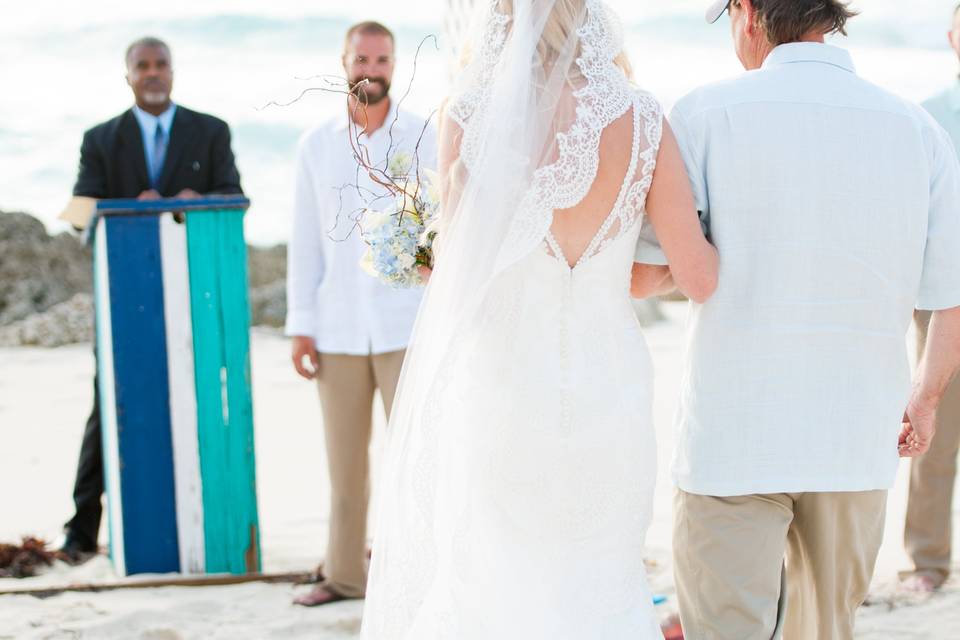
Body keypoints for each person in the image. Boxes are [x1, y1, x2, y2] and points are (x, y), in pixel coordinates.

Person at [360, 1, 717, 637]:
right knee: (601, 573)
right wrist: (646, 275)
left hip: (502, 389)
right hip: (610, 391)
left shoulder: (468, 115)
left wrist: (424, 259)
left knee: (497, 580)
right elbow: (698, 276)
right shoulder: (642, 118)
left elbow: (462, 274)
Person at [632, 1, 960, 638]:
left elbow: (647, 273)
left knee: (721, 629)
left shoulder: (704, 113)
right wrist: (925, 398)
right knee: (826, 629)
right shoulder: (917, 128)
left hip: (732, 435)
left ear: (748, 14)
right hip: (855, 435)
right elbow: (948, 295)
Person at [62, 36, 243, 560]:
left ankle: (211, 520)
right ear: (128, 76)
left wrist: (200, 200)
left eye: (161, 64)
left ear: (173, 71)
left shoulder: (210, 132)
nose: (153, 73)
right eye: (142, 66)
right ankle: (81, 529)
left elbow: (233, 195)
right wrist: (127, 208)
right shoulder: (100, 139)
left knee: (202, 400)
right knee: (108, 403)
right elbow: (81, 217)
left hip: (197, 299)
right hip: (126, 301)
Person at [286, 21, 437, 607]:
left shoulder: (423, 135)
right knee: (345, 468)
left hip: (409, 327)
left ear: (394, 64)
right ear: (343, 61)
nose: (371, 68)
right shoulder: (314, 145)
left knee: (416, 460)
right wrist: (301, 324)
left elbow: (443, 229)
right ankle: (345, 576)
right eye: (361, 57)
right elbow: (305, 243)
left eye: (382, 58)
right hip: (337, 331)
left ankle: (416, 572)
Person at [900, 2, 960, 595]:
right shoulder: (928, 116)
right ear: (951, 38)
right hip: (945, 296)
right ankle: (927, 562)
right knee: (932, 425)